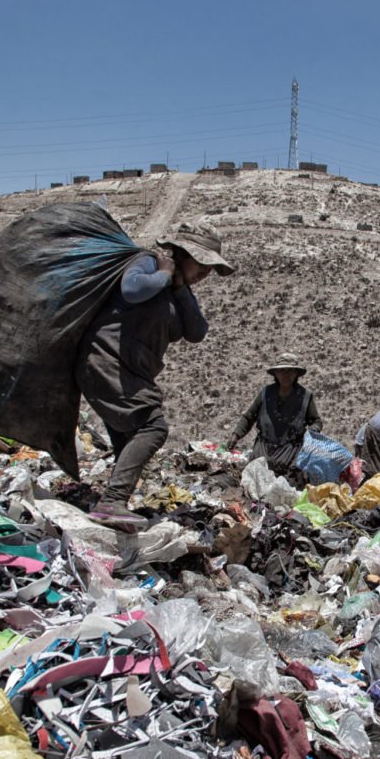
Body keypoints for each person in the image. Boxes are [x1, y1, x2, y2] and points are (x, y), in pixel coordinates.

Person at [76, 223, 233, 530]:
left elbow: (197, 332)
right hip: (107, 360)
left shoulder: (179, 290)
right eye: (202, 263)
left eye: (211, 267)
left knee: (128, 439)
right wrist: (163, 273)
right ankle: (112, 502)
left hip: (133, 370)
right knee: (153, 427)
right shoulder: (148, 262)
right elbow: (132, 289)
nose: (206, 272)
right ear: (183, 253)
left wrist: (178, 287)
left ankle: (116, 506)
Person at [227, 352, 321, 482]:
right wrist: (235, 435)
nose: (286, 375)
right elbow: (249, 417)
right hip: (263, 451)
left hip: (290, 455)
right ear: (275, 374)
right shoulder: (266, 393)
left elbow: (316, 421)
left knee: (289, 491)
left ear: (296, 374)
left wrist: (314, 430)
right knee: (255, 488)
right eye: (282, 371)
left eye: (290, 371)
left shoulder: (305, 396)